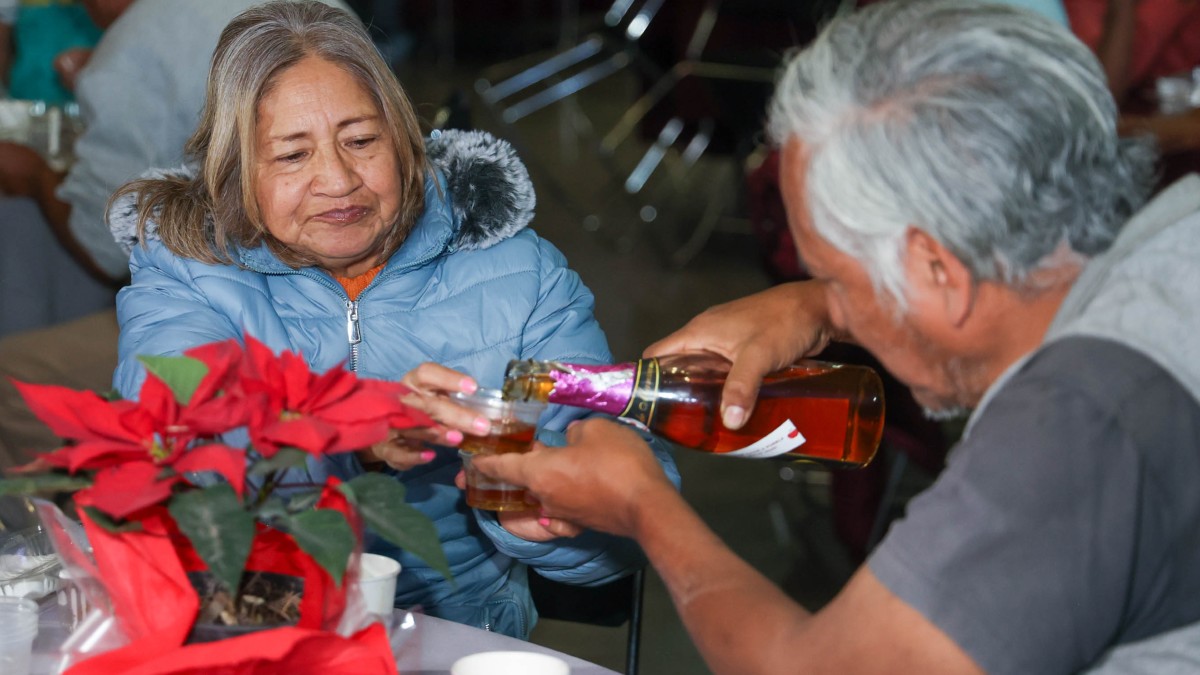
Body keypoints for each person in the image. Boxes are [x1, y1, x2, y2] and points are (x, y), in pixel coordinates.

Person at [474, 1, 1200, 672]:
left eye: (838, 276)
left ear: (936, 267)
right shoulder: (1179, 229)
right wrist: (815, 302)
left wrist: (644, 507)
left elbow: (816, 667)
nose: (839, 314)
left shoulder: (1067, 433)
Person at [109, 0, 673, 640]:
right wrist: (351, 431)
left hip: (455, 632)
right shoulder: (189, 269)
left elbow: (632, 523)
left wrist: (543, 519)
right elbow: (181, 458)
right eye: (293, 156)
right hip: (259, 622)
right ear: (238, 172)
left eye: (361, 140)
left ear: (403, 139)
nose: (338, 180)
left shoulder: (522, 276)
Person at [0, 0, 350, 468]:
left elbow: (103, 247)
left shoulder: (135, 46)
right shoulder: (327, 11)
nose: (337, 180)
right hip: (307, 314)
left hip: (276, 332)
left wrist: (39, 177)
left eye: (359, 141)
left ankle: (65, 531)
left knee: (15, 374)